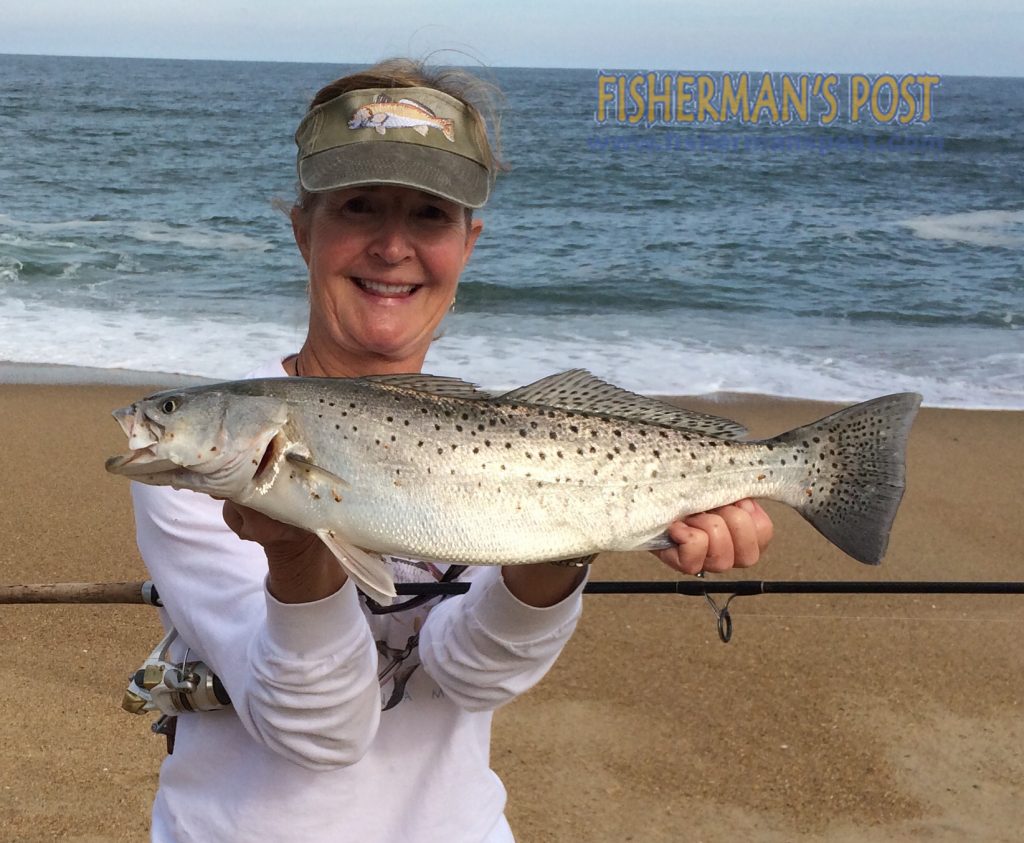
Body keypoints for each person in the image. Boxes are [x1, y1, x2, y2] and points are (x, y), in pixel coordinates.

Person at [129, 58, 774, 843]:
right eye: (359, 207)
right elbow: (321, 733)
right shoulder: (191, 476)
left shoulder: (512, 438)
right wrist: (298, 557)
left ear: (468, 244)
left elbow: (469, 675)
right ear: (303, 229)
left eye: (430, 216)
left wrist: (572, 542)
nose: (393, 246)